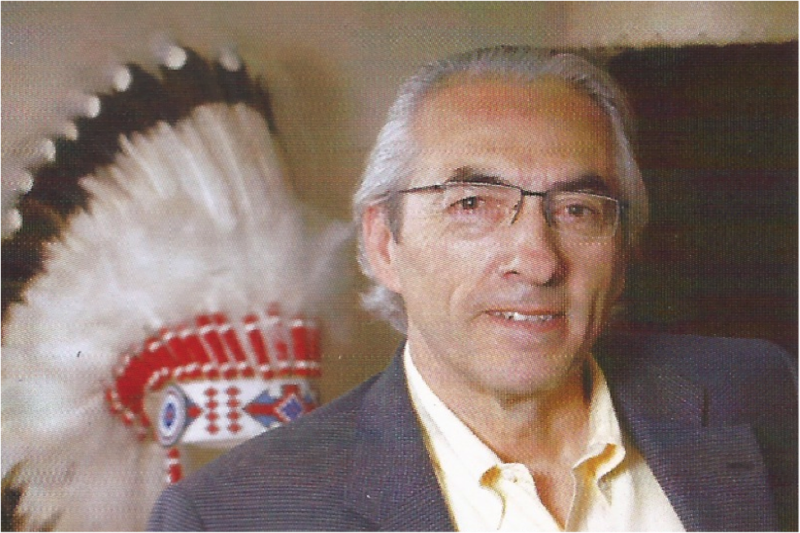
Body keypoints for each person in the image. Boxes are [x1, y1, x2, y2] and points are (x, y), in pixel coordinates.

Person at [148, 45, 798, 532]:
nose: (537, 261)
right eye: (471, 204)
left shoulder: (759, 395)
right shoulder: (237, 514)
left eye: (578, 210)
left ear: (623, 251)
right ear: (384, 243)